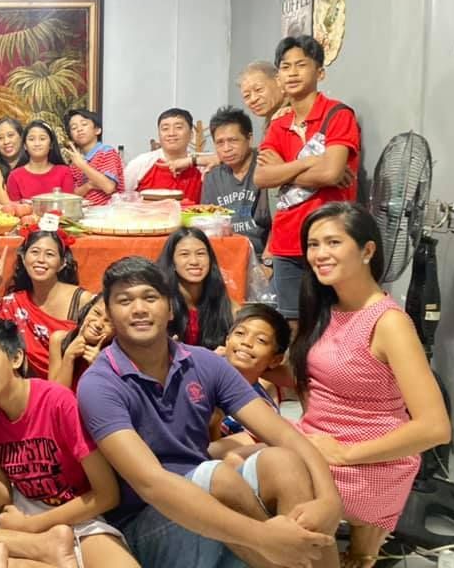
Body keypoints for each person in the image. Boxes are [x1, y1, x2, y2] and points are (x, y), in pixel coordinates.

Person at [77, 257, 342, 568]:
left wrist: (329, 500)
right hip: (148, 527)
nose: (138, 309)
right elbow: (152, 484)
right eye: (124, 300)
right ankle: (280, 558)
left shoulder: (203, 363)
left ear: (170, 308)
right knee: (214, 475)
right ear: (109, 313)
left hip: (217, 513)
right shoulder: (99, 384)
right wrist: (264, 537)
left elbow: (283, 434)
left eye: (150, 297)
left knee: (283, 462)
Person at [292, 202, 450, 568]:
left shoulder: (389, 323)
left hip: (365, 463)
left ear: (367, 250)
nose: (319, 254)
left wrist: (343, 454)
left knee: (263, 480)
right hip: (318, 440)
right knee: (226, 453)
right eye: (313, 245)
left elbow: (436, 428)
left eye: (333, 242)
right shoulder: (328, 307)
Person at [0, 314, 141, 567]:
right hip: (24, 508)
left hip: (78, 512)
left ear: (16, 358)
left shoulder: (58, 402)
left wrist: (33, 525)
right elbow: (3, 500)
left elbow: (107, 495)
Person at [255, 35, 360, 326]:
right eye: (285, 67)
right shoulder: (278, 124)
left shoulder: (338, 115)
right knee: (292, 325)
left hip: (331, 238)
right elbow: (262, 176)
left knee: (333, 322)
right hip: (286, 240)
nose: (292, 72)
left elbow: (332, 173)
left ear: (320, 72)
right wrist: (309, 162)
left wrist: (285, 172)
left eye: (301, 65)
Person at [0, 224, 93, 377]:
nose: (41, 260)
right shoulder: (12, 303)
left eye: (50, 254)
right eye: (34, 252)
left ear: (62, 263)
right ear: (23, 258)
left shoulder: (81, 300)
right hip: (28, 388)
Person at [207, 303, 289, 459]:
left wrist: (214, 425)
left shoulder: (263, 409)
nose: (247, 342)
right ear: (227, 340)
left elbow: (218, 455)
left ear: (275, 359)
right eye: (240, 333)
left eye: (261, 340)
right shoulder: (200, 373)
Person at [203, 106, 271, 259]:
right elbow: (209, 226)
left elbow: (280, 224)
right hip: (227, 256)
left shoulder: (266, 169)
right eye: (220, 143)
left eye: (233, 140)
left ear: (249, 138)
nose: (226, 149)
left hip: (265, 256)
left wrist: (268, 263)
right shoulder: (212, 177)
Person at [157, 227, 236, 350]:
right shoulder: (161, 304)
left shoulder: (225, 305)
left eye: (200, 254)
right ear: (172, 262)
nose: (194, 261)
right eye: (184, 254)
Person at [123, 107, 204, 203]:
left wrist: (193, 161)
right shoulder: (140, 164)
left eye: (178, 127)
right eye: (165, 129)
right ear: (159, 135)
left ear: (191, 135)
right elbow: (122, 198)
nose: (171, 133)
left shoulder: (201, 165)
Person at [48, 295, 114, 390]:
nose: (98, 324)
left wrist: (98, 367)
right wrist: (69, 357)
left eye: (109, 322)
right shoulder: (59, 340)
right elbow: (55, 396)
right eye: (96, 313)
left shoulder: (116, 355)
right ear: (87, 310)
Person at [64, 108, 123, 206]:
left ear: (97, 130)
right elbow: (73, 195)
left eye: (84, 124)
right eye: (74, 128)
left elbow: (108, 187)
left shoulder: (106, 152)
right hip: (85, 213)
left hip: (109, 213)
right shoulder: (75, 160)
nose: (79, 129)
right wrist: (89, 185)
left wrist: (82, 165)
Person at [6, 120, 75, 201]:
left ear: (51, 144)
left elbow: (68, 206)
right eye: (31, 139)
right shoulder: (14, 176)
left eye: (42, 139)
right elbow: (15, 210)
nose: (37, 143)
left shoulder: (64, 172)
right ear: (25, 145)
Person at [0, 118, 23, 206]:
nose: (6, 141)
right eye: (0, 138)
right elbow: (6, 205)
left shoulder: (31, 163)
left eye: (10, 135)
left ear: (21, 137)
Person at [238, 61, 285, 128]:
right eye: (247, 96)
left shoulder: (294, 113)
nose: (253, 99)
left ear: (278, 81)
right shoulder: (271, 120)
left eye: (258, 89)